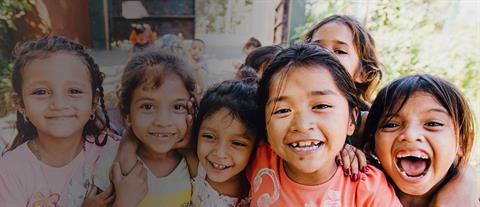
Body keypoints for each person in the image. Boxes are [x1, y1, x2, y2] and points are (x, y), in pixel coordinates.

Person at [248, 44, 401, 206]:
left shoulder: (368, 189)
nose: (302, 125)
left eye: (321, 106)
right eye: (283, 110)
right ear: (265, 122)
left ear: (351, 120)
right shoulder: (253, 156)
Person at [0, 36, 115, 206]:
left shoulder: (112, 153)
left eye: (74, 91)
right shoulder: (11, 169)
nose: (59, 105)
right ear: (20, 103)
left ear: (93, 101)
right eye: (41, 92)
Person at [93, 51, 197, 207]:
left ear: (191, 111)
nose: (163, 121)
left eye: (178, 107)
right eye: (148, 106)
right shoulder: (110, 162)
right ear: (126, 112)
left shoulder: (194, 160)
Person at [361, 74, 480, 206]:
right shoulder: (353, 191)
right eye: (392, 125)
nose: (410, 135)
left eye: (433, 124)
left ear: (462, 143)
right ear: (371, 144)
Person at [189, 80, 258, 206]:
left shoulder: (256, 187)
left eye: (237, 143)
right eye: (209, 136)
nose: (220, 154)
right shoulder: (196, 167)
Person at [304, 15, 382, 110]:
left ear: (363, 73)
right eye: (317, 47)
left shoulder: (370, 121)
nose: (324, 53)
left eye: (339, 51)